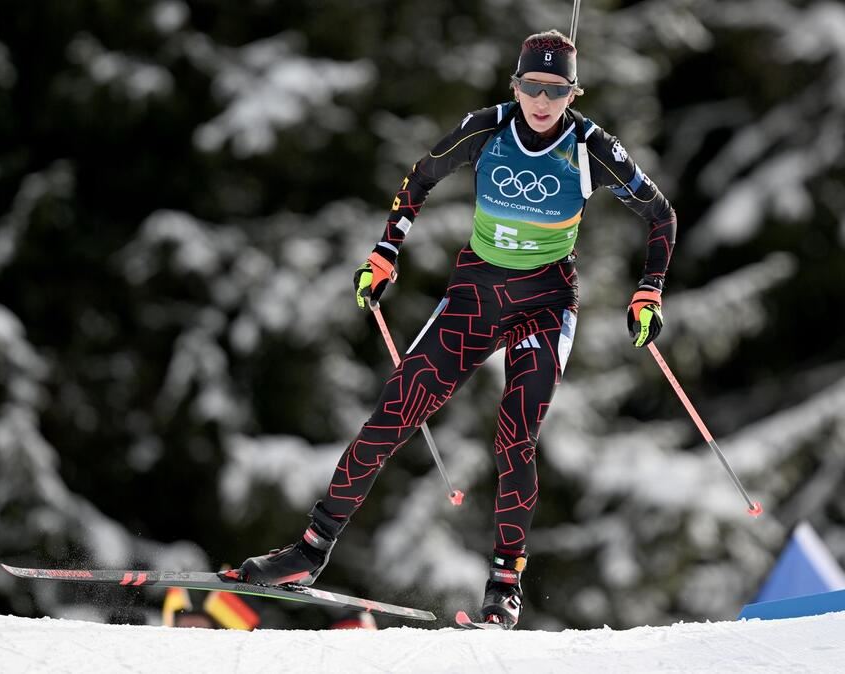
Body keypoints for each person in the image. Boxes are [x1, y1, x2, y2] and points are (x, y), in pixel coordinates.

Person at [237, 29, 676, 629]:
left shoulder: (591, 148)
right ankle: (308, 552)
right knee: (393, 413)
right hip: (475, 297)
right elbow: (418, 179)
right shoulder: (485, 128)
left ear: (574, 93)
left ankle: (504, 586)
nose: (542, 101)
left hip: (544, 306)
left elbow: (661, 215)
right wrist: (386, 252)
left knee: (514, 437)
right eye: (531, 86)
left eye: (556, 90)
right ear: (515, 85)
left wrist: (648, 290)